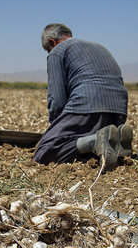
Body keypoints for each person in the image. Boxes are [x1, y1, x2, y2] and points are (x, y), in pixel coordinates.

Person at [33, 23, 132, 171]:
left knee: (44, 153)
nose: (49, 53)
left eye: (48, 49)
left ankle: (96, 140)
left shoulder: (58, 51)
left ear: (52, 42)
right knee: (80, 150)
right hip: (118, 112)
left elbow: (57, 99)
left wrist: (55, 126)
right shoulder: (100, 47)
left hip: (86, 105)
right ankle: (112, 142)